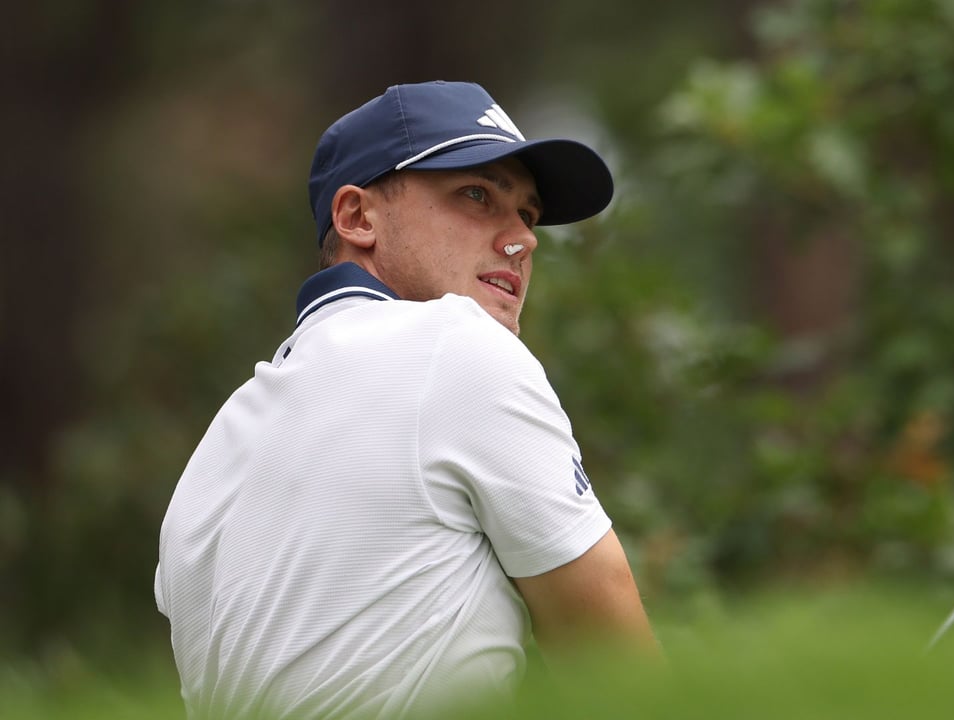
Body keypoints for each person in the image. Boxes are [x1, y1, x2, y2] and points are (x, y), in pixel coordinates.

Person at [155, 80, 658, 719]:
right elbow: (619, 668)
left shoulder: (214, 451)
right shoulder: (457, 344)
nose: (522, 240)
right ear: (358, 217)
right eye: (477, 195)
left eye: (527, 216)